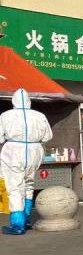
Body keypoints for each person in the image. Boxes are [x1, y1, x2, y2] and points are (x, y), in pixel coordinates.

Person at [0, 89, 53, 235]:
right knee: (29, 183)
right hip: (34, 151)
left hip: (13, 152)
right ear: (29, 100)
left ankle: (17, 224)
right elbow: (47, 136)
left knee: (15, 187)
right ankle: (27, 218)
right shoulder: (40, 116)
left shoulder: (6, 115)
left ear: (14, 100)